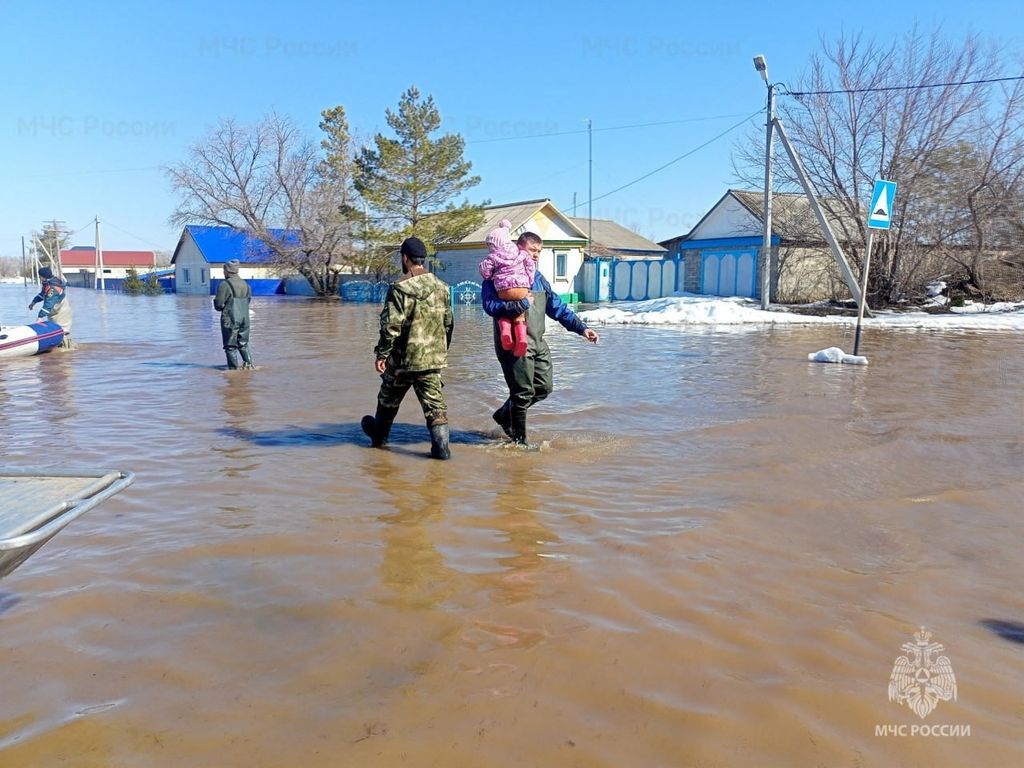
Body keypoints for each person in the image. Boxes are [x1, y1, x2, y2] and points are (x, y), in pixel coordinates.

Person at [482, 231, 599, 447]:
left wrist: (582, 328)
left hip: (538, 342)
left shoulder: (538, 278)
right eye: (531, 250)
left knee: (544, 387)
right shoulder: (496, 276)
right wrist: (517, 305)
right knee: (522, 392)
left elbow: (557, 307)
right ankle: (520, 443)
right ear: (518, 249)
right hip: (513, 345)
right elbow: (490, 306)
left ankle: (504, 415)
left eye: (539, 252)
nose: (536, 255)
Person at [362, 237, 454, 460]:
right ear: (423, 259)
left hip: (402, 361)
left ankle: (379, 439)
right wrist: (440, 352)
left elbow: (391, 327)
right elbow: (449, 324)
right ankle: (441, 450)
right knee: (435, 408)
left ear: (405, 258)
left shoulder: (399, 288)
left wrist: (382, 354)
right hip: (431, 359)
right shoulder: (442, 288)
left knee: (387, 400)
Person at [478, 218, 535, 357]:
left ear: (495, 244)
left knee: (504, 313)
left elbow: (486, 273)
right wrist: (529, 281)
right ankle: (521, 338)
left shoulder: (493, 256)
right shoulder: (520, 253)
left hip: (504, 290)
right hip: (522, 288)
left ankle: (505, 333)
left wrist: (488, 275)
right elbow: (530, 266)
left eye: (490, 245)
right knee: (519, 315)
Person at [212, 259, 254, 370]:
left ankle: (233, 371)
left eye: (224, 270)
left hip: (231, 318)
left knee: (230, 346)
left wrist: (221, 307)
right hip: (245, 318)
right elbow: (248, 301)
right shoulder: (246, 284)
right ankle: (249, 365)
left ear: (227, 271)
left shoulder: (224, 285)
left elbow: (218, 305)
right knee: (243, 343)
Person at [29, 266, 73, 347]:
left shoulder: (53, 288)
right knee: (56, 328)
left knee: (62, 330)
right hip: (54, 311)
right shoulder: (47, 283)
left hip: (61, 310)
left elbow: (48, 304)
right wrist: (33, 302)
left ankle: (66, 350)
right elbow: (42, 295)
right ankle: (59, 347)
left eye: (40, 276)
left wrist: (40, 317)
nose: (39, 277)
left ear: (43, 276)